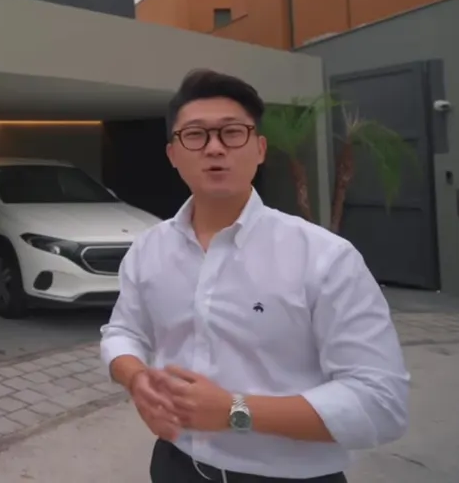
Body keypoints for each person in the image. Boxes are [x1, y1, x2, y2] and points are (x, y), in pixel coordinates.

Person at [101, 69, 409, 482]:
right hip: (175, 465)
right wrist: (137, 378)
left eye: (232, 133)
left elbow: (381, 403)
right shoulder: (149, 248)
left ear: (260, 149)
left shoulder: (324, 257)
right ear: (173, 154)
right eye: (195, 135)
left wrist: (235, 411)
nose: (214, 148)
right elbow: (123, 331)